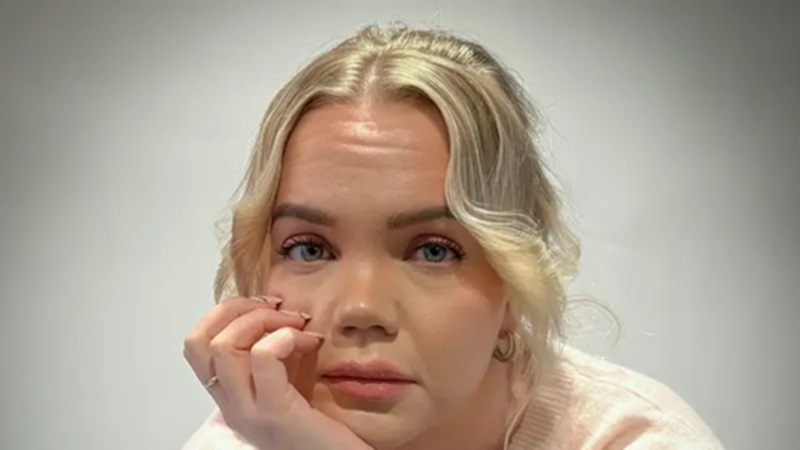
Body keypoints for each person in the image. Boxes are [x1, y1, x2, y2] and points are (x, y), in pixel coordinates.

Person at [181, 24, 722, 449]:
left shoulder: (632, 438)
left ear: (516, 283)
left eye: (433, 251)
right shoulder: (255, 432)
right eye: (309, 248)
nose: (362, 309)